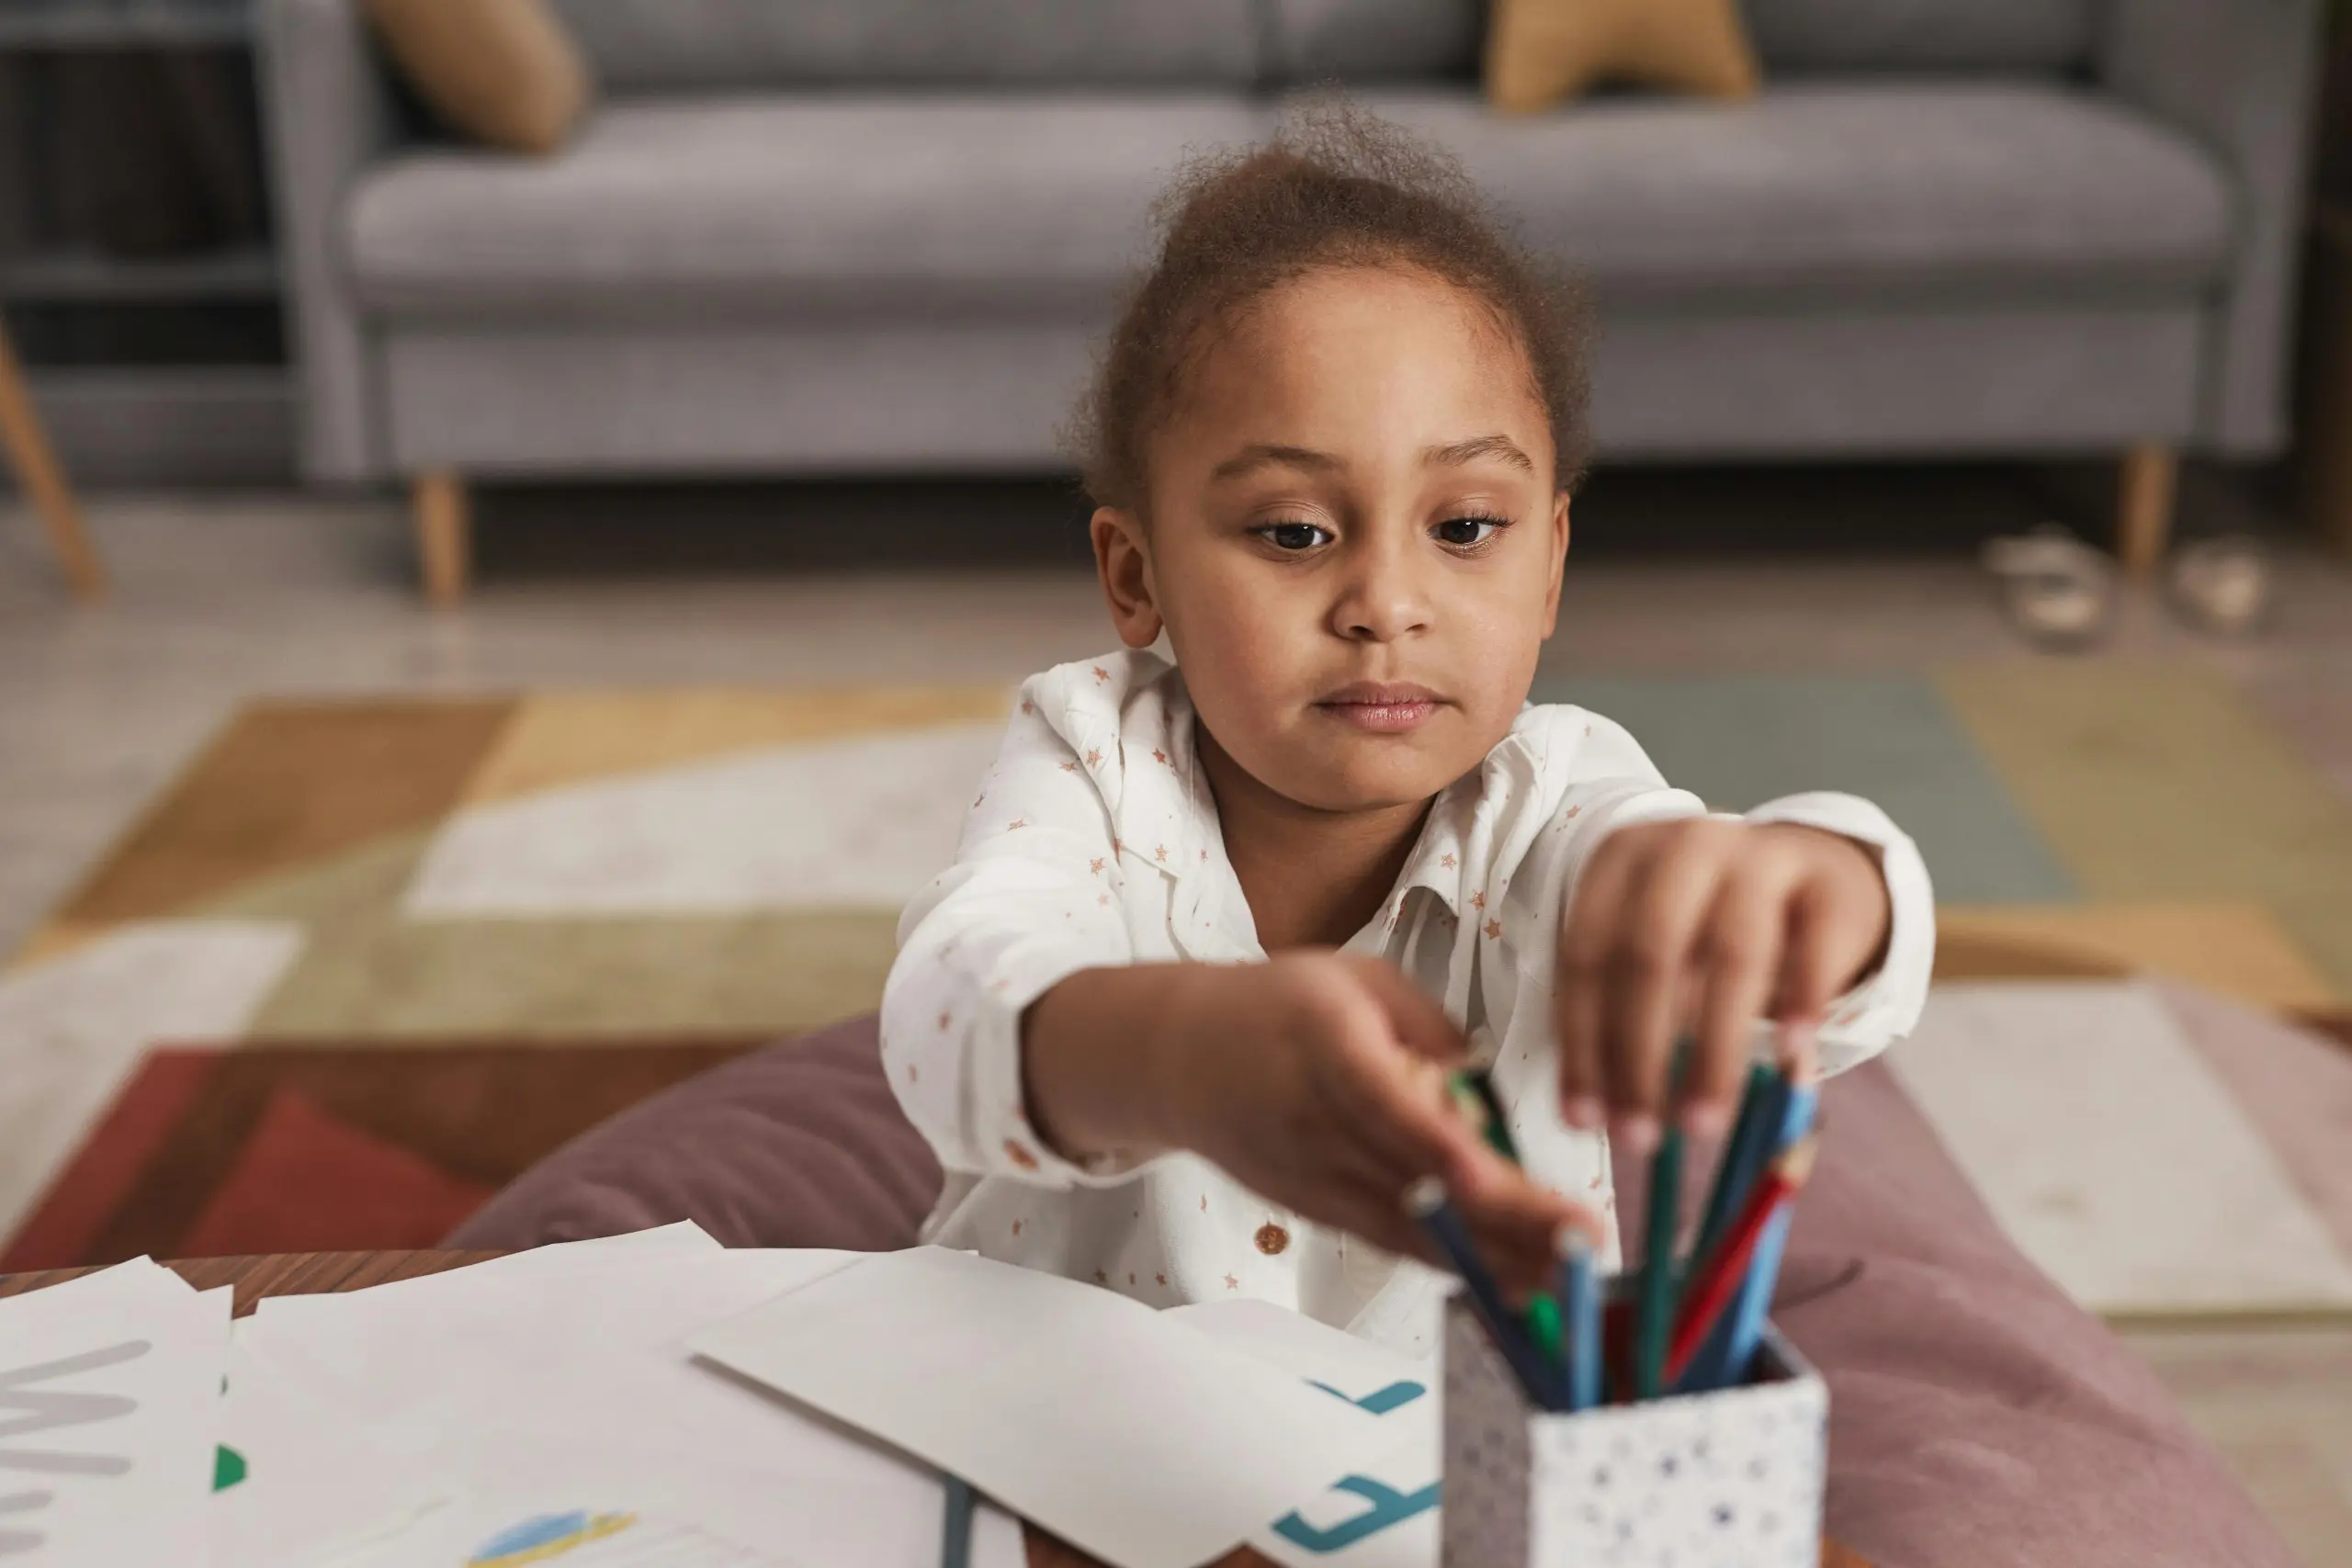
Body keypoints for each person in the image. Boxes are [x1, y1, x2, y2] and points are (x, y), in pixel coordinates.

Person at [880, 107, 1932, 1354]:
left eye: (1465, 527)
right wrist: (1182, 1054)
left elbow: (1804, 973)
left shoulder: (1564, 800)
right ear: (1136, 573)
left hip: (1439, 1476)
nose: (1386, 605)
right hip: (1065, 1437)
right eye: (1293, 532)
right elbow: (949, 1009)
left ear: (1549, 566)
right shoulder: (1091, 757)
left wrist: (1821, 884)